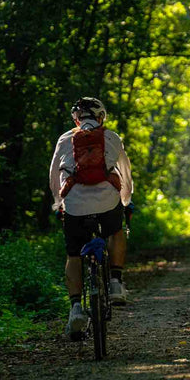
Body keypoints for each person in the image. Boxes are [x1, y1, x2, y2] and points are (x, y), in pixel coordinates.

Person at [49, 97, 133, 339]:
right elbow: (125, 174)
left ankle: (76, 309)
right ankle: (116, 282)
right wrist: (126, 201)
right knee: (116, 231)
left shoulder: (65, 139)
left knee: (73, 254)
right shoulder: (111, 137)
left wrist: (58, 204)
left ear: (76, 119)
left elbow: (54, 176)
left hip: (74, 205)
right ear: (101, 117)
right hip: (108, 201)